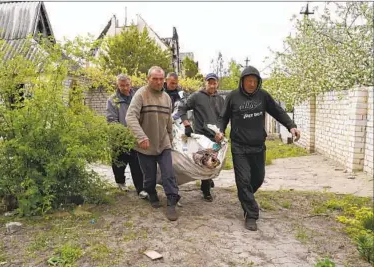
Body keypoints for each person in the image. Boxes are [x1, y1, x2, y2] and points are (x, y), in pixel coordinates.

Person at [216, 66, 301, 231]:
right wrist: (219, 131)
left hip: (258, 146)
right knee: (244, 180)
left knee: (258, 178)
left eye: (255, 81)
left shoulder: (263, 96)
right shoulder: (233, 97)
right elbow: (223, 117)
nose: (252, 84)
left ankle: (244, 195)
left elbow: (278, 111)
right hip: (239, 146)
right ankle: (252, 214)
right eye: (249, 81)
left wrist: (291, 126)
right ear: (242, 81)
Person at [126, 66, 180, 221]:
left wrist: (170, 138)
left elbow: (168, 120)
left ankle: (171, 201)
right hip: (145, 145)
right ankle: (151, 192)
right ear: (148, 79)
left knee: (169, 174)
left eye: (161, 79)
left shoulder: (167, 98)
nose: (158, 82)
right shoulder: (141, 94)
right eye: (155, 79)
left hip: (163, 144)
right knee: (149, 177)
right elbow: (130, 117)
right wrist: (141, 137)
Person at [178, 73, 224, 202]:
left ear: (217, 84)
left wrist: (221, 131)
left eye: (214, 83)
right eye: (209, 82)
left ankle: (208, 179)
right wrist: (187, 125)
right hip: (202, 136)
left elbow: (223, 117)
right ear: (205, 83)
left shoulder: (220, 99)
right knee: (205, 162)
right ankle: (206, 189)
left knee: (214, 161)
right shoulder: (197, 97)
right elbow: (182, 108)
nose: (212, 85)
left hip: (216, 136)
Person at [105, 74, 148, 199]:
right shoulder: (113, 100)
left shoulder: (137, 97)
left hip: (135, 137)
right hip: (120, 138)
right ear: (118, 86)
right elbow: (111, 120)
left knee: (137, 164)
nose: (125, 88)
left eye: (127, 85)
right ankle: (120, 181)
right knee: (119, 163)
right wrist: (123, 133)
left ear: (131, 84)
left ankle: (140, 189)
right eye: (122, 85)